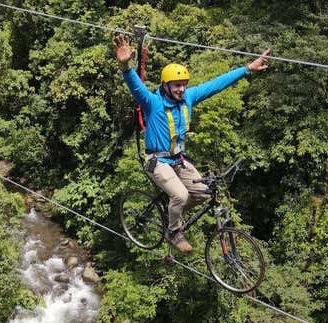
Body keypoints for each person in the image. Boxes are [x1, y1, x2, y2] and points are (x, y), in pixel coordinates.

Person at [113, 34, 270, 253]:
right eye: (177, 85)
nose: (181, 89)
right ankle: (173, 231)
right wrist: (125, 65)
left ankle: (170, 217)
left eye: (184, 85)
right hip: (157, 162)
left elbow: (216, 85)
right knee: (180, 195)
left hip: (178, 160)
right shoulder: (153, 103)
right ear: (166, 86)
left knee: (203, 194)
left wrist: (246, 69)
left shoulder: (189, 98)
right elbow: (136, 87)